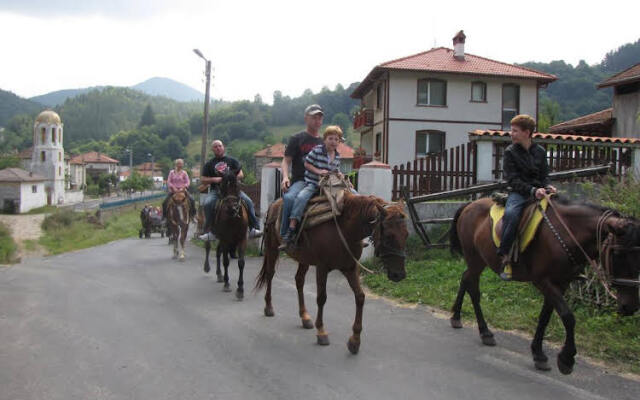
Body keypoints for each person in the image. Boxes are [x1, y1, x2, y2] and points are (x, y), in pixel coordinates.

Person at [498, 114, 557, 281]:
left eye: (515, 131)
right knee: (511, 214)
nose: (511, 133)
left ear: (527, 132)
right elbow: (512, 180)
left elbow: (545, 175)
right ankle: (504, 254)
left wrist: (548, 186)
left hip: (540, 192)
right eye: (512, 130)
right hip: (519, 193)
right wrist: (532, 191)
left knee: (560, 211)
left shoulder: (540, 152)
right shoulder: (510, 152)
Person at [280, 125, 344, 249]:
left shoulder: (337, 156)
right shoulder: (317, 150)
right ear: (324, 139)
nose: (333, 142)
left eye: (336, 139)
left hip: (329, 185)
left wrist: (341, 176)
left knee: (350, 196)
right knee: (300, 198)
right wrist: (319, 171)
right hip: (313, 183)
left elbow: (336, 170)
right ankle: (291, 228)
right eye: (330, 138)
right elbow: (307, 164)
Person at [198, 140, 262, 241]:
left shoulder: (232, 160)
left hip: (232, 191)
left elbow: (241, 174)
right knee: (207, 203)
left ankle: (254, 228)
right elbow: (203, 179)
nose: (218, 148)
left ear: (223, 147)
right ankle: (210, 232)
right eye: (215, 147)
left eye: (220, 146)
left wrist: (230, 177)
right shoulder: (209, 164)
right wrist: (215, 179)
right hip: (217, 191)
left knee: (248, 201)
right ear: (212, 150)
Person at [279, 104, 324, 240]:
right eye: (314, 117)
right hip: (301, 181)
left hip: (321, 181)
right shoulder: (297, 138)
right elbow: (286, 161)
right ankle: (285, 235)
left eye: (319, 118)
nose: (317, 121)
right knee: (289, 198)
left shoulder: (324, 141)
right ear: (306, 119)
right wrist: (285, 177)